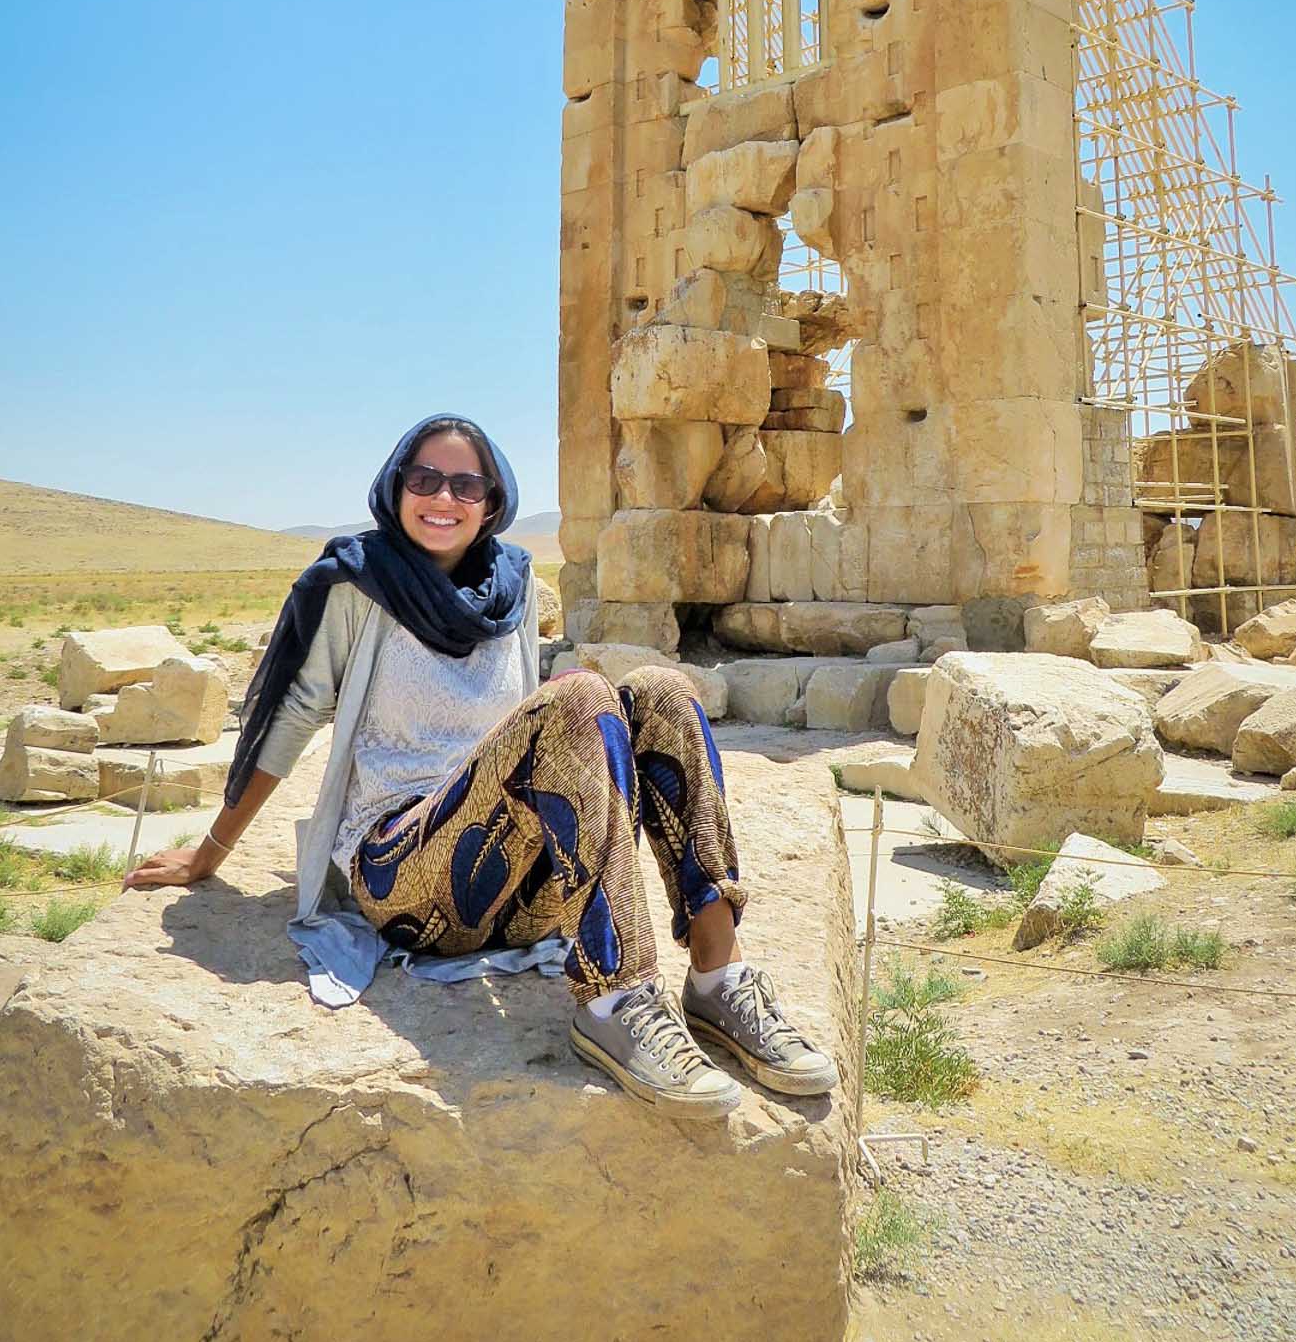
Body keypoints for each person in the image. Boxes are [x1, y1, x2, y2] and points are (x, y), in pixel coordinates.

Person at [125, 415, 837, 1122]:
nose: (444, 497)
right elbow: (290, 718)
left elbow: (538, 728)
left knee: (663, 694)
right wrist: (209, 853)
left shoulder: (514, 584)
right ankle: (617, 998)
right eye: (425, 479)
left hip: (510, 888)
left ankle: (718, 979)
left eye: (466, 484)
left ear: (493, 502)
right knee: (582, 696)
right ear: (394, 487)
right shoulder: (356, 585)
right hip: (401, 873)